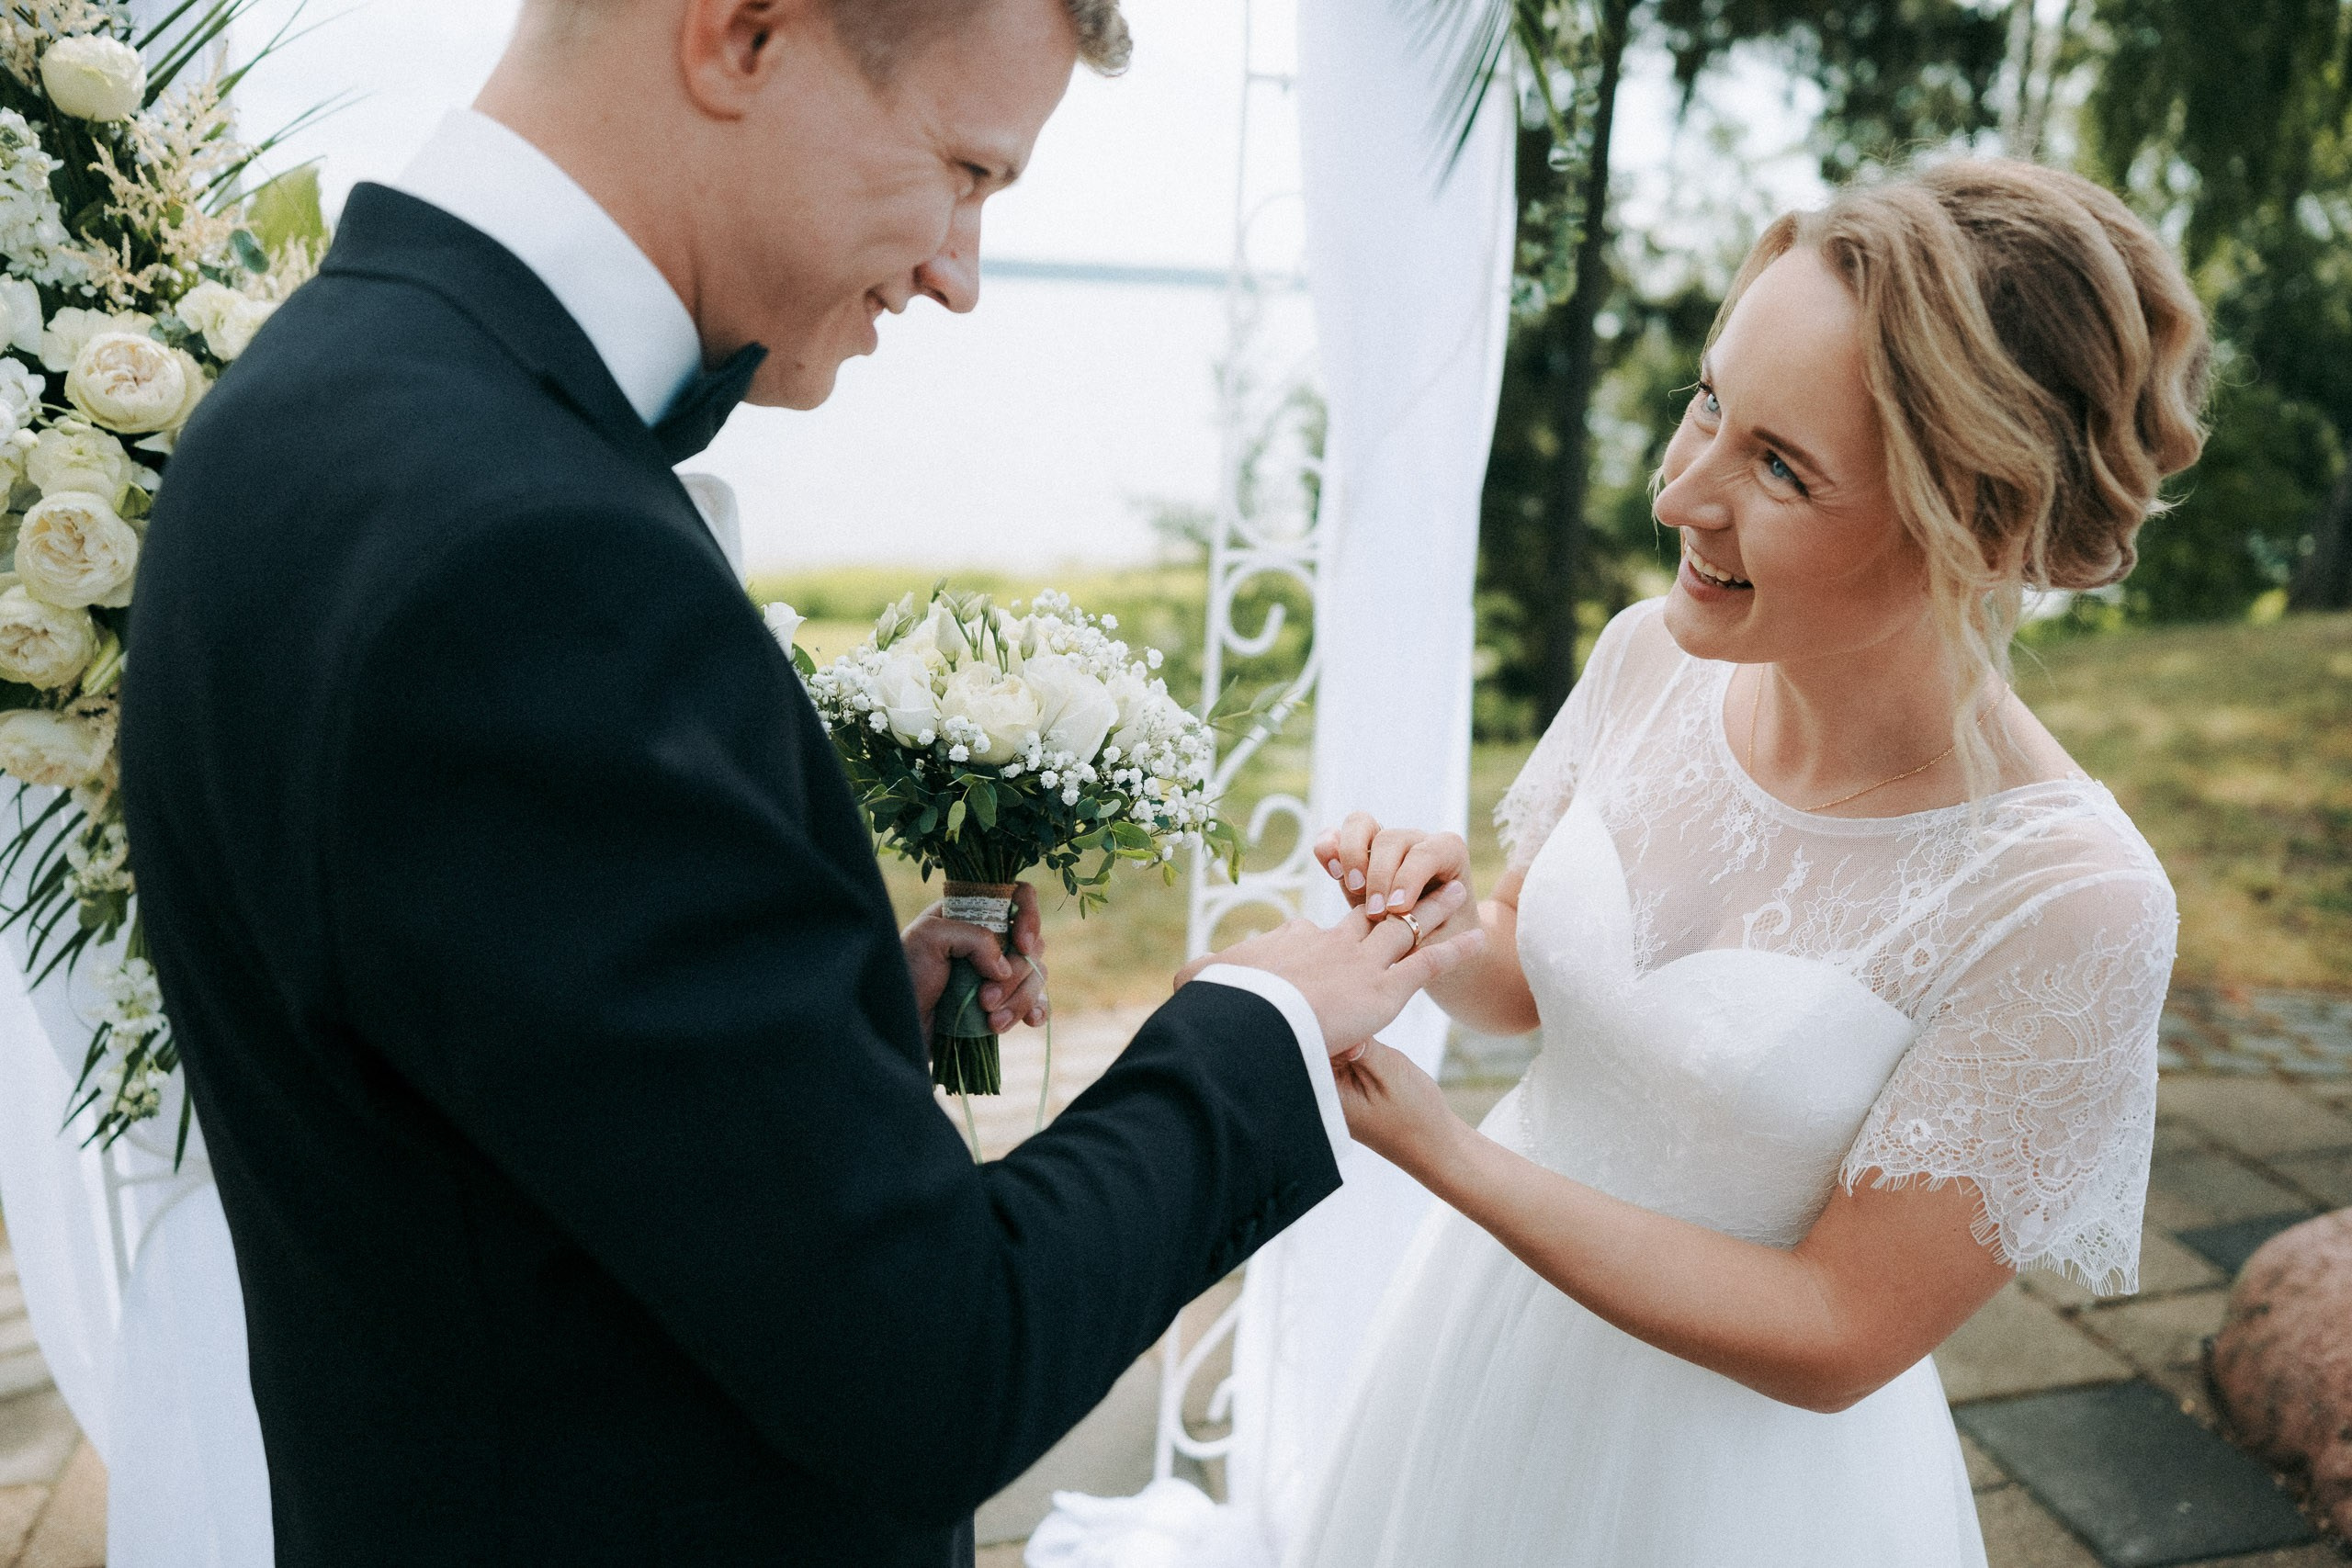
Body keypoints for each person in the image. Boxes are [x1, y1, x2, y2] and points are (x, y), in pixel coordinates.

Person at [115, 1, 1484, 1563]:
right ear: (744, 33)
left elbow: (473, 1071)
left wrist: (824, 1030)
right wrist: (1264, 1026)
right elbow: (935, 1360)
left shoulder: (316, 408)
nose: (959, 273)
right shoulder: (526, 553)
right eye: (965, 169)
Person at [1292, 158, 2210, 1567]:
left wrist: (1444, 1153)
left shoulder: (2067, 899)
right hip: (1478, 1350)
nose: (1680, 495)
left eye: (1778, 465)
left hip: (1730, 1488)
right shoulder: (1649, 656)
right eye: (1710, 404)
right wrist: (1434, 924)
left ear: (1973, 519)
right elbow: (1527, 976)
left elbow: (1841, 1331)